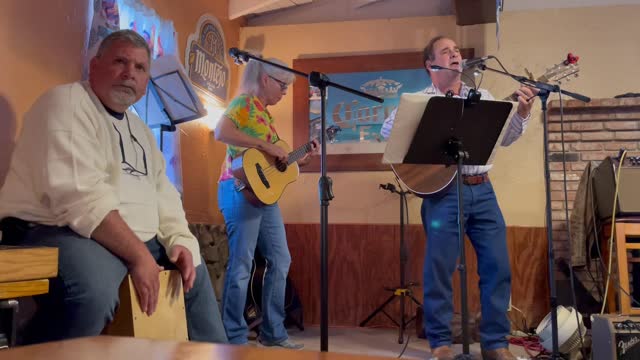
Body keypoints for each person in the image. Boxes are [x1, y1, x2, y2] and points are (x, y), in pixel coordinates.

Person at [0, 30, 227, 344]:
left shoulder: (140, 130)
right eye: (120, 61)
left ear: (146, 81)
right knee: (94, 289)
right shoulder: (65, 103)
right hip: (53, 227)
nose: (128, 74)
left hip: (122, 234)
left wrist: (180, 241)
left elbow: (165, 196)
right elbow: (79, 197)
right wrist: (138, 257)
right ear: (94, 67)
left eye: (139, 68)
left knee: (192, 270)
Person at [380, 36, 536, 360]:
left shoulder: (482, 97)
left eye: (457, 51)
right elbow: (389, 134)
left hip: (483, 189)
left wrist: (521, 112)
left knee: (498, 265)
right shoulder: (419, 100)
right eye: (446, 51)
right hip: (443, 194)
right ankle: (440, 343)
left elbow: (504, 137)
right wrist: (425, 129)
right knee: (440, 268)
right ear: (430, 65)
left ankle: (495, 344)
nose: (455, 55)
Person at [214, 56, 318, 349]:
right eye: (283, 85)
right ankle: (233, 336)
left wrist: (301, 158)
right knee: (242, 263)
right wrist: (264, 144)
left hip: (264, 196)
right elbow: (221, 132)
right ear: (265, 80)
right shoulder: (244, 104)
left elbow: (273, 167)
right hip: (238, 189)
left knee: (281, 260)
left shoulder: (266, 116)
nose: (285, 91)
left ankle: (274, 332)